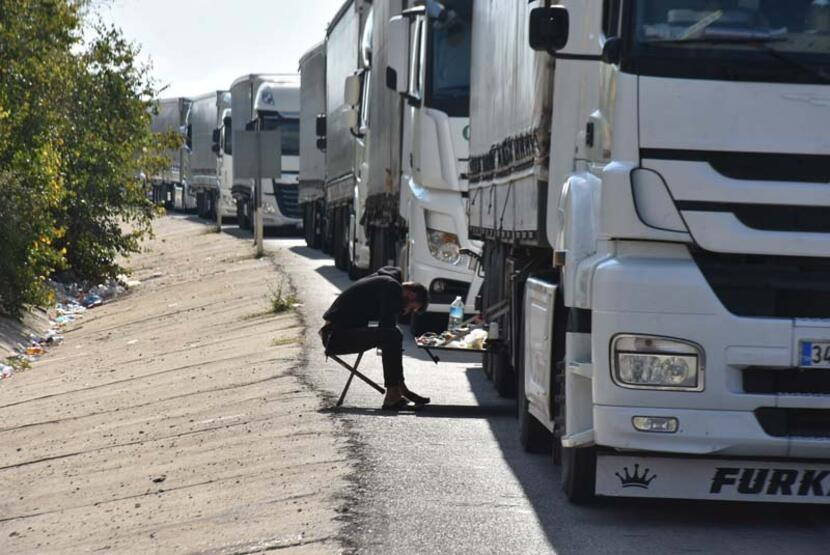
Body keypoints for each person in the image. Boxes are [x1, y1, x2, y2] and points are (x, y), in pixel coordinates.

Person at [320, 266, 431, 410]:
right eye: (410, 307)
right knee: (392, 335)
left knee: (393, 335)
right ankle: (394, 393)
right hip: (335, 337)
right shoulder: (392, 287)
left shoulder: (385, 282)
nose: (406, 311)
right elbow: (387, 325)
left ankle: (397, 390)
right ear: (410, 293)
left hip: (337, 333)